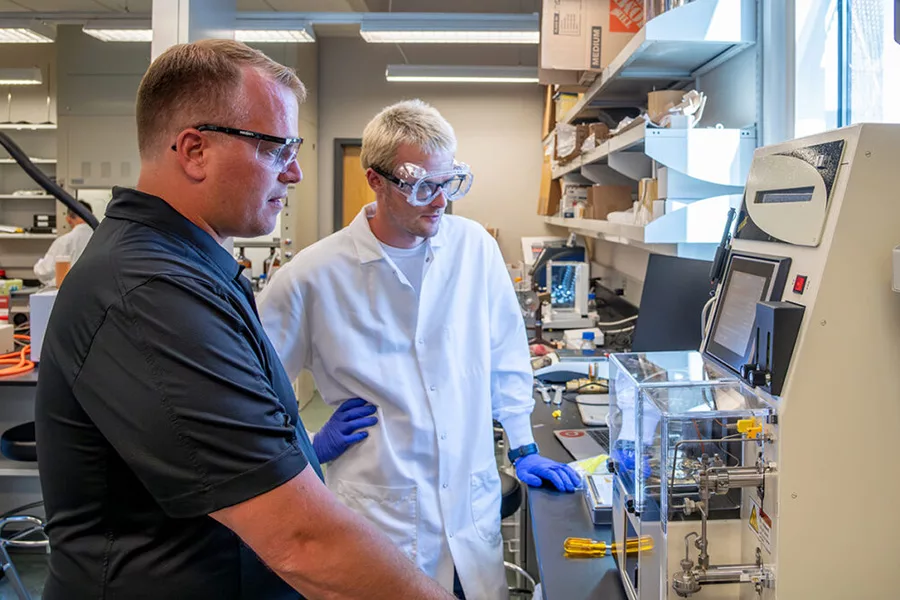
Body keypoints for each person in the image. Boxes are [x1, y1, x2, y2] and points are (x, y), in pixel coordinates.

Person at [34, 40, 454, 600]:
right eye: (276, 150)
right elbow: (301, 538)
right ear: (195, 151)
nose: (295, 172)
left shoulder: (191, 268)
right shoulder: (151, 294)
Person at [257, 99, 582, 600]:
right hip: (380, 521)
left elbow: (506, 354)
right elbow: (249, 395)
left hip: (470, 514)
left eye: (448, 182)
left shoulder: (474, 248)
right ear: (376, 180)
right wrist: (309, 446)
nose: (440, 201)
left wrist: (522, 446)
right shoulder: (311, 276)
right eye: (423, 186)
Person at [33, 200, 94, 285]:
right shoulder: (102, 239)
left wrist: (38, 265)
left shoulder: (64, 241)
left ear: (68, 219)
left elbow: (45, 272)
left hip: (69, 289)